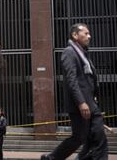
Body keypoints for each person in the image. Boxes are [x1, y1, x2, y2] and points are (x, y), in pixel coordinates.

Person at [41, 23, 108, 160]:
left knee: (97, 135)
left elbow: (89, 80)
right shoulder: (69, 52)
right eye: (86, 33)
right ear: (75, 35)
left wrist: (93, 99)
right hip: (80, 104)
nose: (89, 36)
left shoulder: (84, 53)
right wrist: (81, 102)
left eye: (89, 33)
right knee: (79, 138)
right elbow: (71, 80)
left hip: (91, 103)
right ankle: (52, 158)